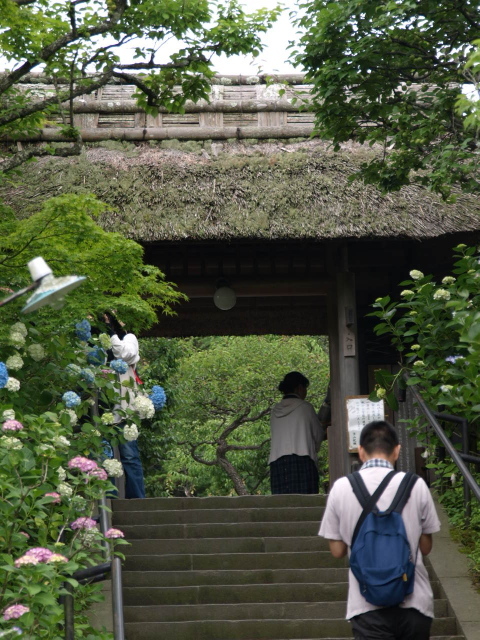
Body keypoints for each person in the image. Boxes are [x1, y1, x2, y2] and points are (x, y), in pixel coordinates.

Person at [319, 420, 441, 640]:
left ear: (361, 452)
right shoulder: (416, 484)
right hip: (414, 603)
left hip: (366, 606)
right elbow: (426, 546)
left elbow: (337, 551)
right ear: (397, 450)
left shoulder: (341, 488)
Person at [104, 312, 146, 499]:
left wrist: (111, 333)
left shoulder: (128, 338)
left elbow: (124, 354)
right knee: (105, 456)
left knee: (129, 456)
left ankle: (137, 499)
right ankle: (109, 499)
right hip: (102, 407)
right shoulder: (95, 341)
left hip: (124, 409)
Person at [269, 371, 325, 494]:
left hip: (278, 463)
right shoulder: (305, 407)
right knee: (306, 502)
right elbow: (318, 434)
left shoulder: (274, 411)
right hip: (302, 460)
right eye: (305, 388)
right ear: (299, 388)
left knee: (281, 503)